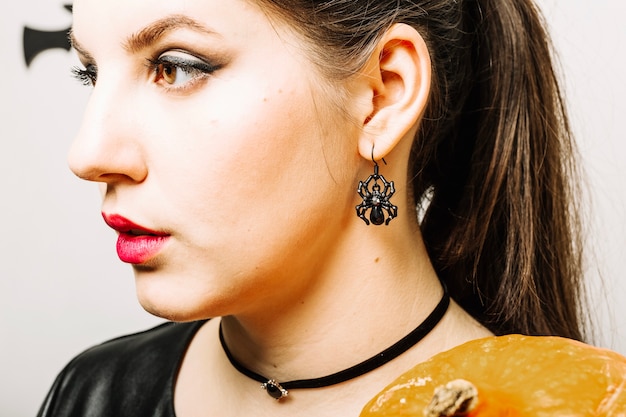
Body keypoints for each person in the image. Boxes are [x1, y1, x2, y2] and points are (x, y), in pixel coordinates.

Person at [38, 0, 587, 416]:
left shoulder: (556, 406)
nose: (88, 155)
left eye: (176, 67)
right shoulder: (92, 393)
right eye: (90, 73)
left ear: (382, 96)